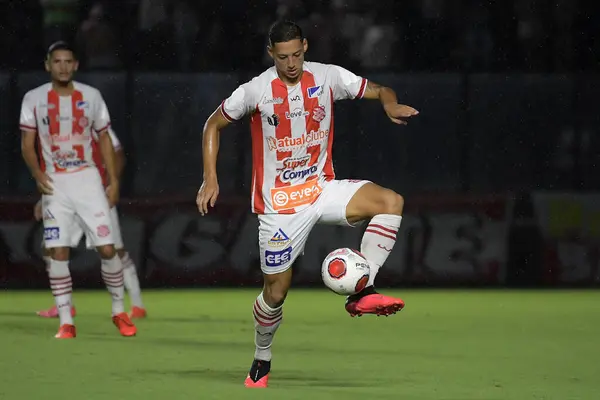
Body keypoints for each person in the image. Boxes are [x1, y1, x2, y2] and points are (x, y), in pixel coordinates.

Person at [196, 20, 419, 388]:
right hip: (279, 206)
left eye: (297, 54)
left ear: (306, 47)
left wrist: (390, 104)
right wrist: (210, 177)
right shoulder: (255, 90)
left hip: (320, 188)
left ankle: (364, 291)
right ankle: (261, 358)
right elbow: (212, 125)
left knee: (390, 201)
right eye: (283, 57)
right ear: (271, 54)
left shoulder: (328, 77)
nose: (291, 64)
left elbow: (380, 89)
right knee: (275, 293)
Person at [20, 41, 137, 339]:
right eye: (56, 61)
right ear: (47, 65)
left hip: (88, 181)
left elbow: (105, 139)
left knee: (107, 247)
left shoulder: (91, 96)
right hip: (55, 185)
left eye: (67, 61)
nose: (62, 66)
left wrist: (113, 180)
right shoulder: (33, 99)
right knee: (58, 251)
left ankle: (118, 311)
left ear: (76, 65)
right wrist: (36, 174)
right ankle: (65, 321)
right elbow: (27, 144)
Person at [35, 128, 147, 320]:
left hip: (94, 197)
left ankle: (137, 305)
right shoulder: (55, 126)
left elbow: (118, 154)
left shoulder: (94, 121)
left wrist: (110, 185)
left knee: (115, 250)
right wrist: (43, 199)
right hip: (67, 198)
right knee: (50, 248)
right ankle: (64, 305)